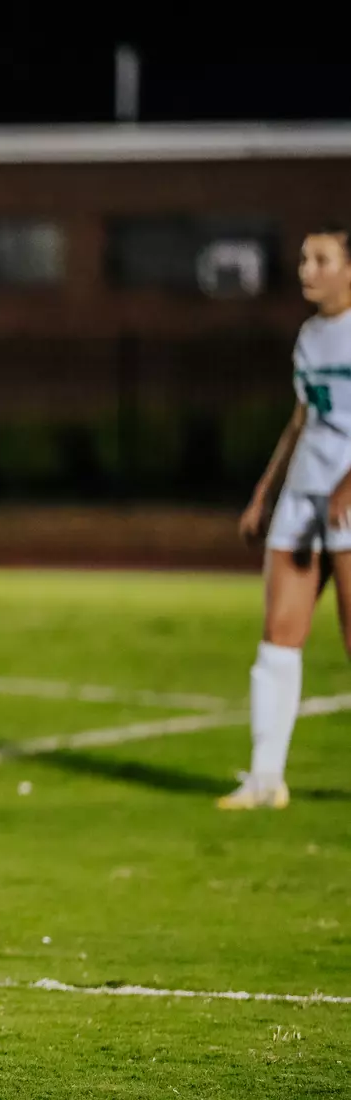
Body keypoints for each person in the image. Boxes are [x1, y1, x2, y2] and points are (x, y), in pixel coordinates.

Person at [228, 223, 351, 810]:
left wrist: (349, 482)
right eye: (304, 259)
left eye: (321, 260)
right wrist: (264, 492)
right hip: (304, 495)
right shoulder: (309, 335)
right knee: (278, 636)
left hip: (348, 498)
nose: (307, 270)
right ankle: (264, 781)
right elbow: (302, 418)